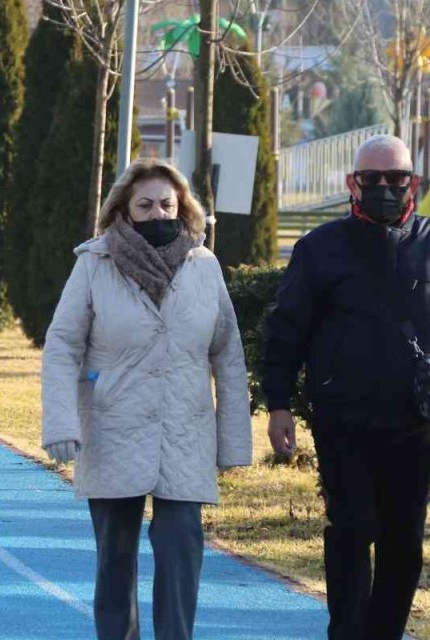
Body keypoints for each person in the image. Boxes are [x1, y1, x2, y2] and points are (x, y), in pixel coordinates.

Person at [262, 134, 430, 640]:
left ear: (413, 181)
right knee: (350, 534)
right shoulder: (318, 249)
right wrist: (278, 403)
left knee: (404, 541)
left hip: (416, 420)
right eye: (371, 179)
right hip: (342, 419)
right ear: (352, 183)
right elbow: (286, 331)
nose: (385, 188)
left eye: (395, 178)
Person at [41, 158, 252, 640]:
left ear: (182, 208)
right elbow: (62, 346)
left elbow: (228, 354)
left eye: (166, 204)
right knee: (115, 557)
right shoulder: (94, 263)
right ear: (124, 210)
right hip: (113, 428)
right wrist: (61, 424)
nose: (158, 213)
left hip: (184, 432)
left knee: (182, 549)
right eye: (146, 205)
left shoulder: (205, 265)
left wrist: (234, 443)